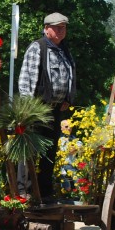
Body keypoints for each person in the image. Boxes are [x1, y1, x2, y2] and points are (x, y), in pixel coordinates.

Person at [18, 12, 76, 202]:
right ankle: (23, 191)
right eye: (57, 27)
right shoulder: (38, 48)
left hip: (55, 109)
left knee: (49, 151)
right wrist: (28, 108)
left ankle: (44, 191)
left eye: (63, 27)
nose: (61, 31)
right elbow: (27, 78)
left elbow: (69, 77)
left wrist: (68, 97)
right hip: (36, 108)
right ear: (46, 29)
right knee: (30, 150)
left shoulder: (64, 50)